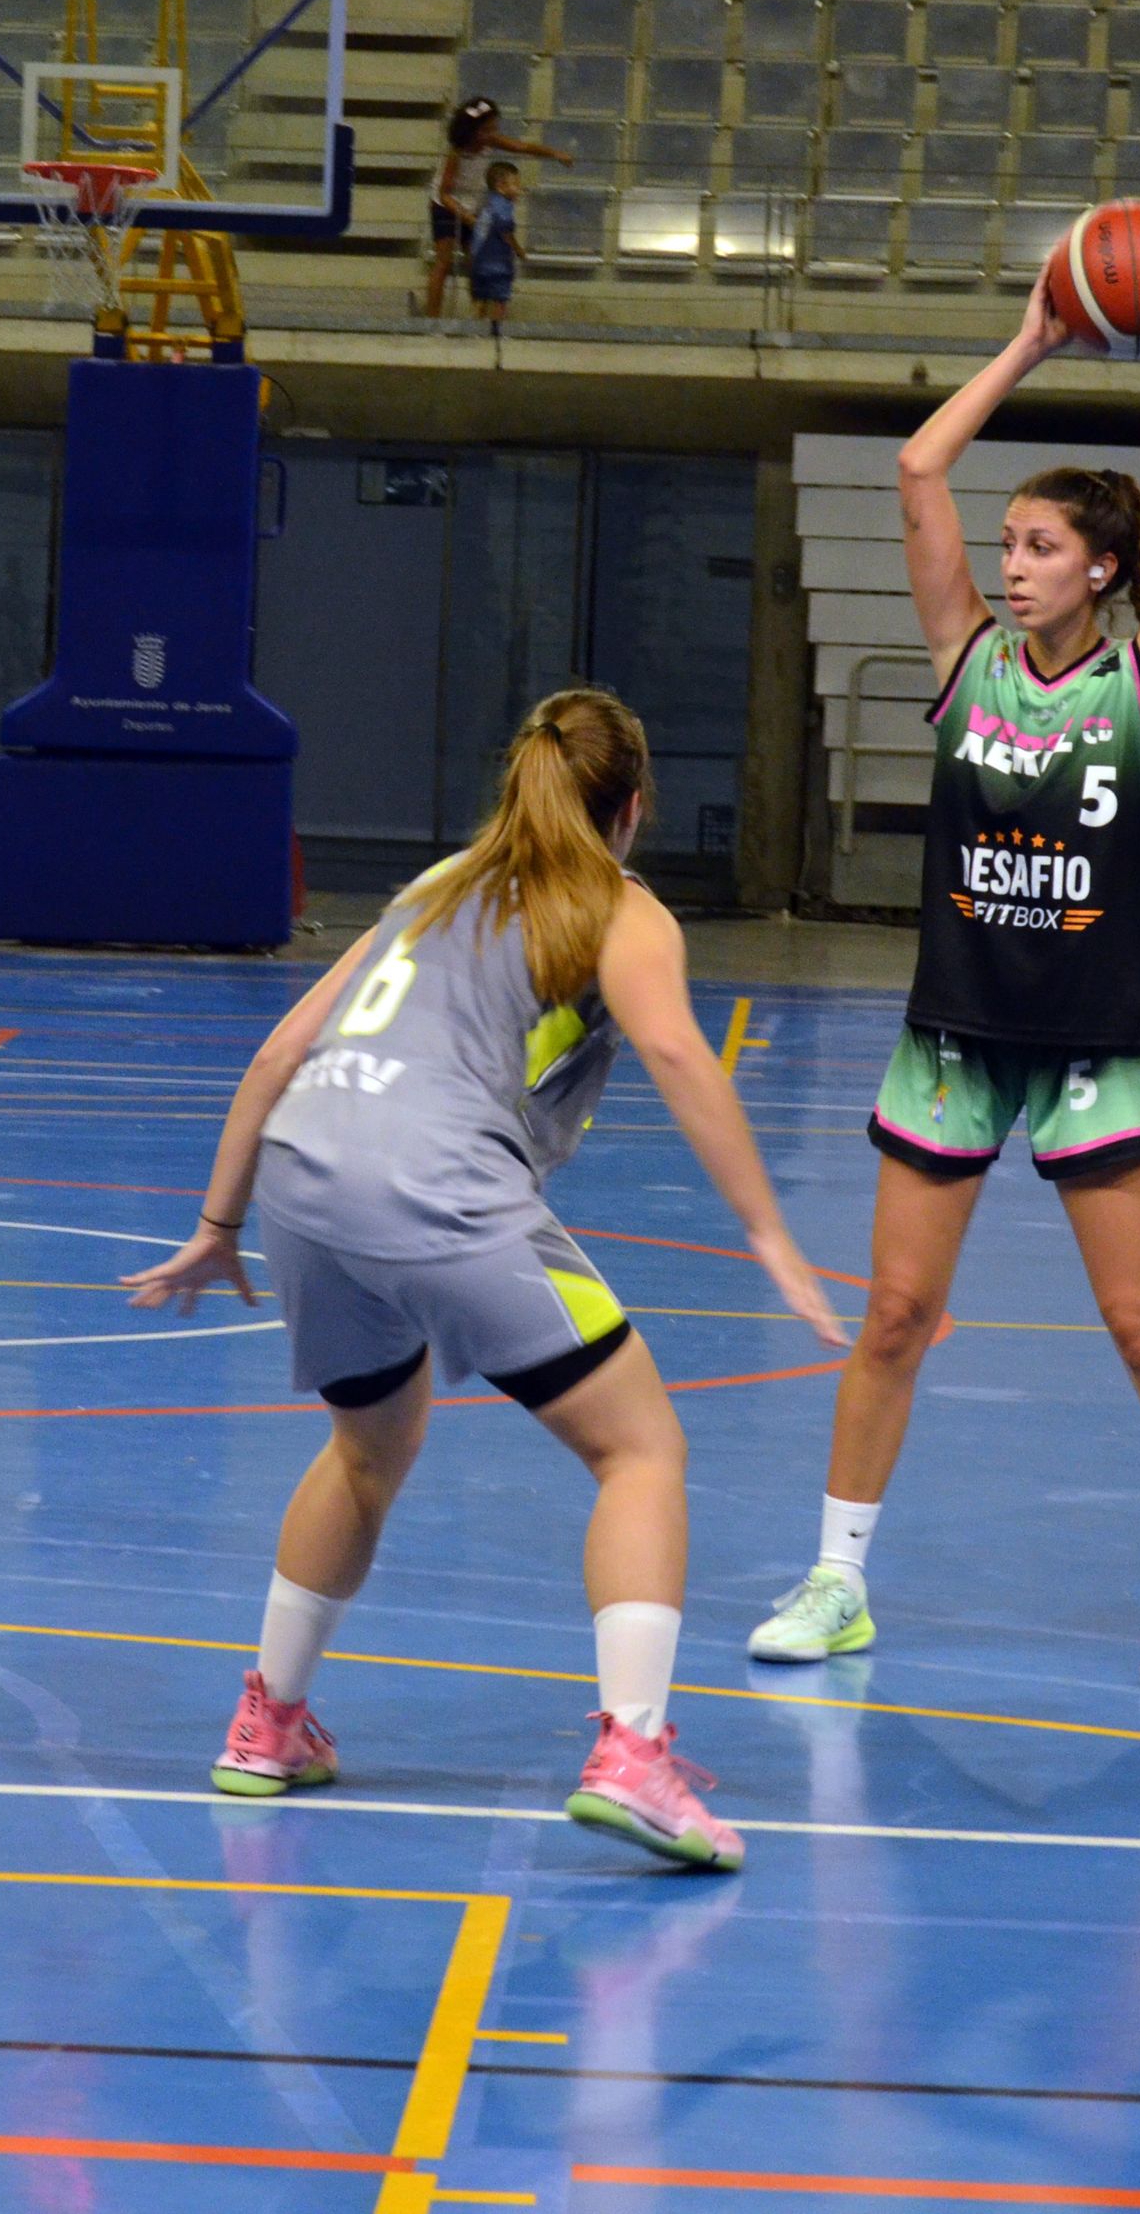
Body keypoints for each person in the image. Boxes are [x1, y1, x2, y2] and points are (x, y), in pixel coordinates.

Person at [121, 689, 844, 1873]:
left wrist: (218, 1223)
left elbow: (276, 1050)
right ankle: (633, 1756)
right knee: (639, 1449)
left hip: (304, 1175)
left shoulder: (434, 887)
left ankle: (269, 1723)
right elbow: (673, 1051)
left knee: (368, 1445)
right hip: (434, 1183)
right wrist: (767, 1232)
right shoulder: (619, 906)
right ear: (635, 808)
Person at [747, 233, 1140, 1692]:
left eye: (1041, 546)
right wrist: (1034, 340)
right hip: (957, 1036)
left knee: (1136, 1320)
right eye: (1013, 546)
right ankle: (837, 1577)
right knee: (897, 1314)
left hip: (1094, 1039)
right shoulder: (963, 657)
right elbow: (920, 469)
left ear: (1103, 569)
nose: (1013, 562)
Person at [423, 98, 570, 320]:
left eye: (493, 128)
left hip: (473, 205)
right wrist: (465, 216)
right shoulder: (457, 153)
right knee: (443, 262)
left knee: (478, 262)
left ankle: (478, 316)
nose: (491, 134)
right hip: (447, 205)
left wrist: (554, 154)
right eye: (486, 130)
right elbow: (444, 193)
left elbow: (522, 147)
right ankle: (430, 321)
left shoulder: (489, 141)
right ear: (472, 130)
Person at [470, 159, 523, 329]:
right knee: (500, 298)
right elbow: (505, 231)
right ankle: (496, 330)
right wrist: (519, 250)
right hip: (497, 261)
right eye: (516, 184)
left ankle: (476, 329)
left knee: (481, 297)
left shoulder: (488, 204)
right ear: (501, 186)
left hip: (479, 260)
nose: (519, 189)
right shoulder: (504, 207)